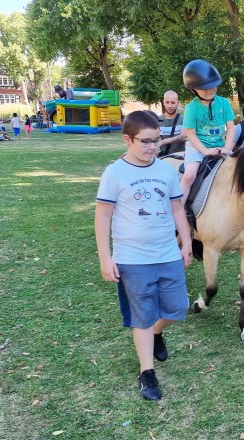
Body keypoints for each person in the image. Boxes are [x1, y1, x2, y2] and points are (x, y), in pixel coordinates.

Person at [94, 110, 193, 401]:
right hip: (132, 259)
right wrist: (105, 256)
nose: (152, 147)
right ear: (127, 139)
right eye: (146, 142)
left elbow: (177, 208)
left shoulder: (165, 170)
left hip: (167, 254)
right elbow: (102, 217)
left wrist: (186, 242)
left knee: (178, 308)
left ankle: (157, 333)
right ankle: (147, 372)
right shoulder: (115, 173)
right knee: (142, 316)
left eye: (157, 141)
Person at [180, 59, 235, 207]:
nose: (211, 90)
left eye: (213, 86)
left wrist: (228, 148)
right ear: (193, 89)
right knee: (189, 175)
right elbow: (191, 134)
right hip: (197, 146)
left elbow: (230, 128)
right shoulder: (191, 108)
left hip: (221, 145)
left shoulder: (224, 103)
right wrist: (205, 151)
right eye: (205, 88)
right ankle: (177, 212)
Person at [156, 90, 186, 155]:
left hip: (181, 157)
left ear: (177, 103)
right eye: (167, 102)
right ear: (163, 102)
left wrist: (168, 140)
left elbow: (184, 136)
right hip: (164, 157)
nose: (170, 106)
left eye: (173, 103)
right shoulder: (158, 120)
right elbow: (155, 140)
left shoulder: (184, 119)